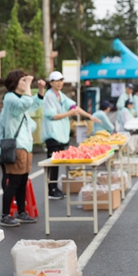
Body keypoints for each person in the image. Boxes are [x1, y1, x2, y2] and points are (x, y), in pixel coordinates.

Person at [0, 70, 45, 227]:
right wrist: (30, 85)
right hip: (15, 146)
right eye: (23, 80)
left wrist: (41, 91)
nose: (26, 83)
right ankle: (5, 214)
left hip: (24, 146)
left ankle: (21, 212)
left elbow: (32, 104)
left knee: (23, 180)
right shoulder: (10, 98)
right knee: (14, 181)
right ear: (15, 82)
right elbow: (26, 103)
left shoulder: (19, 99)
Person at [42, 71, 98, 200]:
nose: (59, 83)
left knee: (57, 163)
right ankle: (51, 189)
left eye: (61, 80)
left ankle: (54, 187)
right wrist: (69, 114)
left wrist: (89, 116)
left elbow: (75, 107)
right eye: (56, 80)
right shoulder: (49, 96)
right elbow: (52, 116)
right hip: (52, 134)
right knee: (52, 163)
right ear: (51, 83)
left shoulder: (60, 95)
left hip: (60, 134)